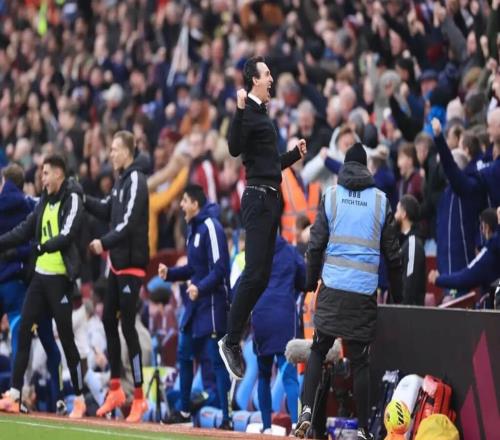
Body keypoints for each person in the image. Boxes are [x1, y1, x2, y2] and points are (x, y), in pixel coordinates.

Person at [294, 143, 403, 440]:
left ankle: (306, 411)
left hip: (332, 289)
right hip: (362, 294)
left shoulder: (331, 197)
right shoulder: (380, 201)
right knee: (360, 361)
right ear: (366, 168)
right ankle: (364, 428)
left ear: (344, 166)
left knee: (318, 349)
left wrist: (311, 282)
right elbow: (393, 255)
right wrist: (398, 295)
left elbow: (315, 245)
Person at [220, 56, 307, 380]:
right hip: (257, 198)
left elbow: (269, 165)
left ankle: (234, 333)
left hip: (269, 199)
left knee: (262, 274)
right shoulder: (248, 112)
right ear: (254, 80)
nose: (271, 78)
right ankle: (230, 340)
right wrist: (239, 110)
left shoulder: (262, 115)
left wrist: (294, 155)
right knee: (255, 272)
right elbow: (233, 147)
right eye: (267, 74)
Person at [0, 155, 86, 418]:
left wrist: (42, 247)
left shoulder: (71, 198)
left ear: (58, 174)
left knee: (66, 339)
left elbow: (67, 235)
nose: (42, 178)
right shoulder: (42, 203)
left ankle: (79, 397)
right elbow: (24, 229)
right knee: (24, 329)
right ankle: (15, 394)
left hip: (59, 279)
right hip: (39, 276)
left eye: (46, 173)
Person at [82, 131, 149, 423]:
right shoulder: (121, 181)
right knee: (108, 319)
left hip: (132, 265)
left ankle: (139, 397)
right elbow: (107, 208)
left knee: (128, 327)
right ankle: (115, 388)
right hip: (117, 264)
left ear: (128, 151)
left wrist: (104, 242)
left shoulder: (136, 180)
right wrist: (82, 198)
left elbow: (129, 223)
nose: (111, 154)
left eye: (115, 149)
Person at [158, 184, 232, 428]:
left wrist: (200, 288)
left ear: (195, 204)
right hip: (195, 303)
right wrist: (170, 274)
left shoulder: (211, 227)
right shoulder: (193, 229)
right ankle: (184, 412)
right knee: (184, 353)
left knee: (217, 361)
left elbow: (220, 269)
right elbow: (193, 268)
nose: (181, 205)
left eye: (184, 200)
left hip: (212, 304)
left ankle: (227, 418)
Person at [250, 235, 305, 433]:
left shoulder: (256, 252)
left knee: (264, 376)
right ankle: (296, 424)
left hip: (261, 318)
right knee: (289, 377)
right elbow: (304, 279)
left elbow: (241, 285)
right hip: (284, 319)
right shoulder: (291, 251)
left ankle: (266, 427)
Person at [394, 195, 426, 305]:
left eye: (397, 211)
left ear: (404, 214)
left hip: (406, 313)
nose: (395, 215)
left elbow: (410, 283)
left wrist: (401, 309)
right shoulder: (404, 242)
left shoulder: (413, 243)